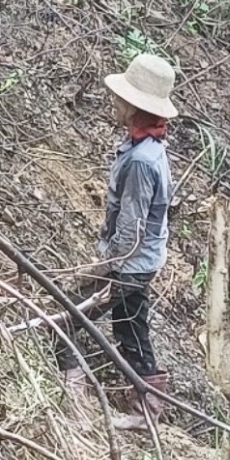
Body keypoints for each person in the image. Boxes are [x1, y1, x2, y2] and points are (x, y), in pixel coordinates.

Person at [55, 53, 176, 430]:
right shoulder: (148, 150)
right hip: (143, 263)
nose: (114, 104)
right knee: (131, 329)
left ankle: (76, 405)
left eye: (120, 100)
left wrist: (99, 268)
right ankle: (148, 410)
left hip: (127, 265)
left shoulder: (141, 162)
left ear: (135, 107)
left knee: (67, 320)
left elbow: (130, 230)